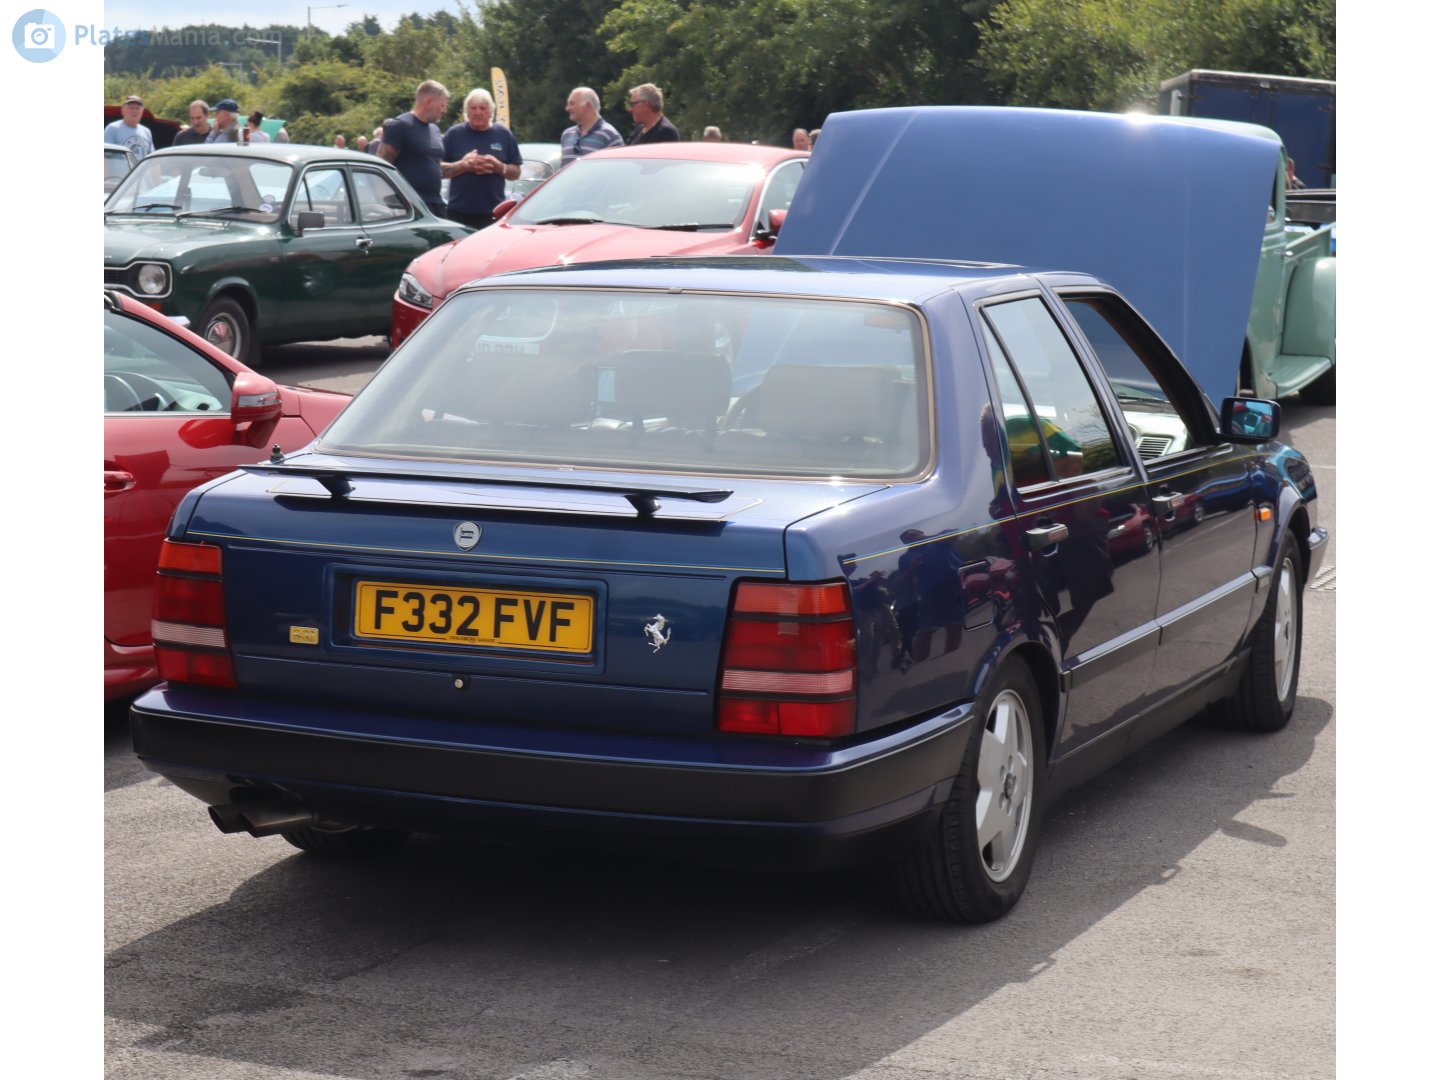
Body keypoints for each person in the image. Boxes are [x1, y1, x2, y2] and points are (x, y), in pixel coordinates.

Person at [442, 88, 523, 230]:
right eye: (473, 108)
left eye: (482, 108)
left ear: (491, 111)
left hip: (493, 213)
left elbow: (516, 173)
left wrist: (499, 167)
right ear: (466, 111)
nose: (478, 112)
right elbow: (437, 170)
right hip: (458, 213)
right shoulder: (454, 134)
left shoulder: (504, 135)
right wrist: (463, 165)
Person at [560, 86, 623, 166]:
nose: (567, 108)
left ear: (588, 105)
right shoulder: (567, 135)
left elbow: (619, 169)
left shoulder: (609, 135)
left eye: (572, 104)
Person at [105, 95, 154, 160]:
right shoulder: (112, 128)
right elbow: (104, 156)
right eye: (131, 108)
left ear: (142, 112)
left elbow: (151, 158)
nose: (134, 111)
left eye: (137, 108)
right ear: (123, 110)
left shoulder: (146, 132)